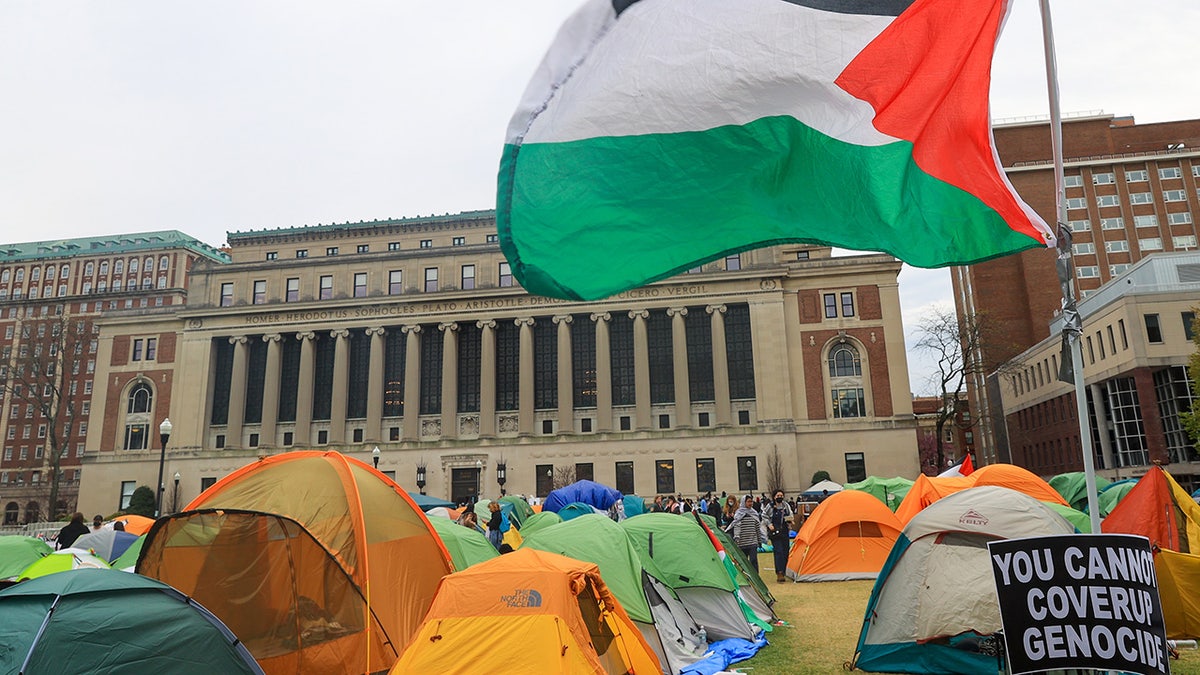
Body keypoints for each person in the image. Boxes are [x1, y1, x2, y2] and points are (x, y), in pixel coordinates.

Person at [724, 495, 766, 572]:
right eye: (748, 501)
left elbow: (757, 528)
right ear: (744, 502)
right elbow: (737, 526)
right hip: (742, 543)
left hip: (753, 542)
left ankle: (756, 578)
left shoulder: (754, 514)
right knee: (744, 562)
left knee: (753, 561)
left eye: (751, 501)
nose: (751, 503)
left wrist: (759, 541)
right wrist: (736, 537)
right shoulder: (739, 514)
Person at [762, 490, 795, 583]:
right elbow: (764, 515)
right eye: (778, 495)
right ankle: (779, 572)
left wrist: (790, 520)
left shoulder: (785, 505)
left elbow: (790, 514)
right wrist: (769, 524)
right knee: (778, 551)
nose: (780, 497)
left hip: (784, 531)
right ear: (774, 497)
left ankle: (783, 571)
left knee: (785, 552)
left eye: (781, 495)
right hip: (774, 532)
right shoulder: (770, 506)